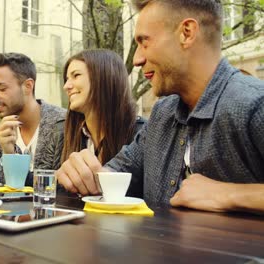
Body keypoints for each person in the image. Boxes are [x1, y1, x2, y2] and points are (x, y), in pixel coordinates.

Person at [56, 0, 264, 214]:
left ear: (187, 33)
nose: (137, 59)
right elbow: (116, 172)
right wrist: (83, 173)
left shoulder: (253, 103)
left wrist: (228, 195)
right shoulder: (162, 113)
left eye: (144, 42)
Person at [44, 49, 145, 177]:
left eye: (76, 75)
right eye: (66, 79)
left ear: (103, 77)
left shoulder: (141, 134)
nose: (66, 86)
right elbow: (47, 183)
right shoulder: (64, 133)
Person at [0, 52, 66, 186]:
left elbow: (58, 187)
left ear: (28, 86)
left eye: (1, 88)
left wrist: (11, 157)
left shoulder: (62, 125)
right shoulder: (6, 127)